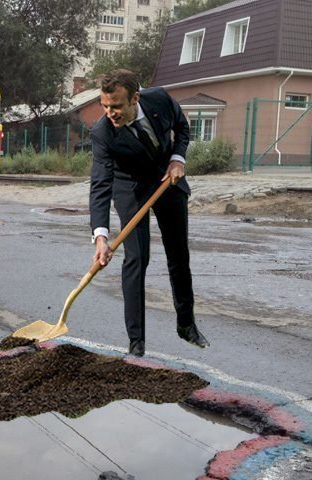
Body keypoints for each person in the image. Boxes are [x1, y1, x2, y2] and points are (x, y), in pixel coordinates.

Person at [89, 69, 208, 358]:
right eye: (105, 106)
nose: (110, 113)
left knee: (178, 255)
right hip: (129, 187)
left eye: (116, 106)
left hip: (167, 179)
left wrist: (178, 159)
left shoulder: (160, 100)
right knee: (137, 258)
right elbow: (100, 184)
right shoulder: (102, 133)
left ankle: (186, 324)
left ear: (135, 98)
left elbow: (182, 127)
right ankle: (136, 340)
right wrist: (101, 236)